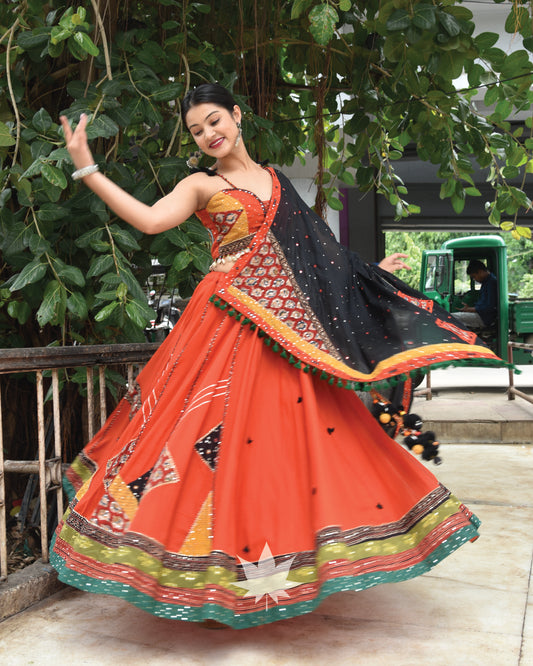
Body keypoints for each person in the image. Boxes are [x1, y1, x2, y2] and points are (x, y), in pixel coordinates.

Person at [51, 83, 507, 629]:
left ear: (238, 116)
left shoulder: (276, 182)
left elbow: (319, 256)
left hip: (285, 332)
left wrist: (367, 273)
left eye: (215, 121)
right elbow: (150, 221)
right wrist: (87, 168)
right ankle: (203, 564)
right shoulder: (200, 184)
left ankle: (290, 553)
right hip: (223, 326)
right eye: (197, 131)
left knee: (293, 437)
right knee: (204, 437)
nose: (209, 135)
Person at [452, 260, 498, 329]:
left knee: (450, 317)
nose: (474, 279)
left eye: (474, 276)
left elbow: (489, 307)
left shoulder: (491, 283)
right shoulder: (486, 282)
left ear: (480, 271)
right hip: (481, 315)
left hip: (484, 318)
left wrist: (469, 309)